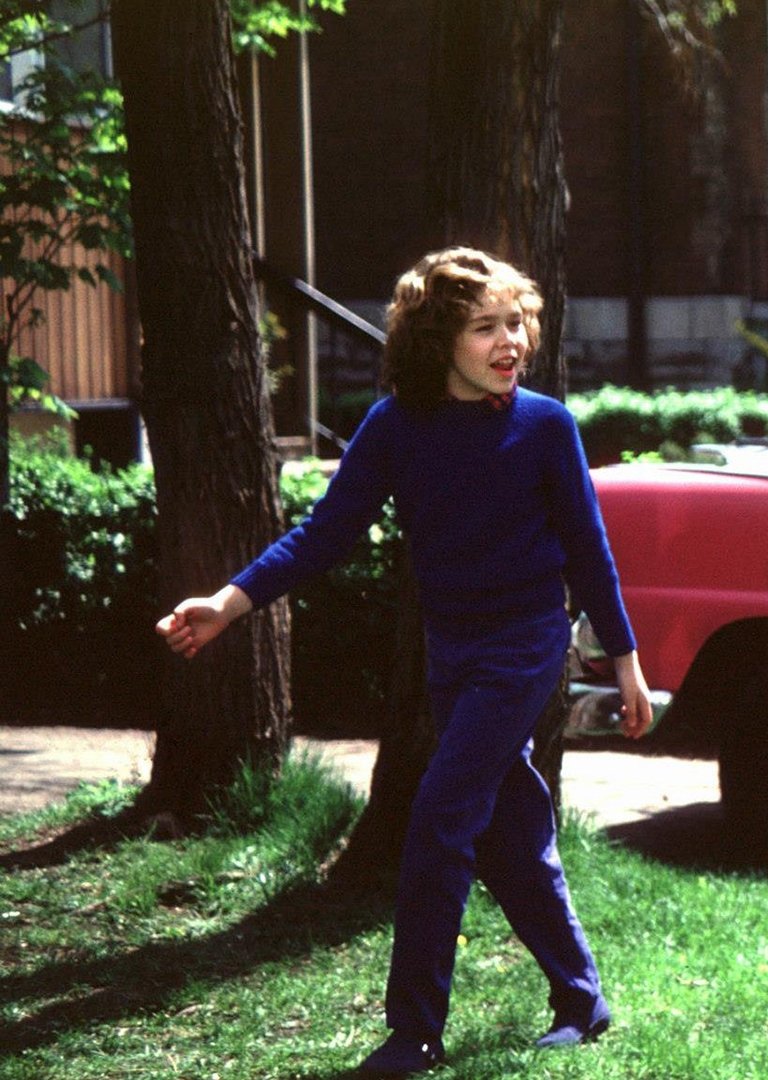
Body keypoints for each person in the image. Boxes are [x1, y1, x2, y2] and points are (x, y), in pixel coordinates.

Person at [155, 248, 654, 1078]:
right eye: (486, 327)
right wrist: (228, 602)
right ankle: (582, 997)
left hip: (526, 644)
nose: (511, 342)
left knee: (440, 817)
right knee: (508, 831)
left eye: (517, 323)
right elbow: (322, 535)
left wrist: (625, 663)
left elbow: (588, 551)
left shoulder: (546, 427)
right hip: (451, 652)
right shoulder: (397, 427)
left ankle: (414, 1032)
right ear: (437, 340)